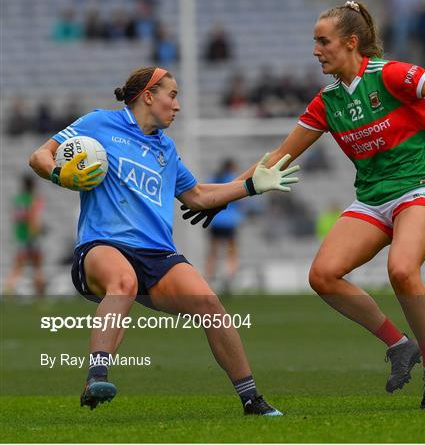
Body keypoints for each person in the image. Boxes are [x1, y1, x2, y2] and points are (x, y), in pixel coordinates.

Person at [181, 1, 425, 409]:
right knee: (323, 275)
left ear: (350, 43)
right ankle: (400, 346)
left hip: (419, 185)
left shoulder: (392, 75)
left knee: (401, 269)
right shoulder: (327, 102)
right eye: (314, 41)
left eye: (322, 41)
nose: (315, 50)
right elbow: (279, 155)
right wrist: (225, 195)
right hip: (372, 197)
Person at [28, 66, 300, 415]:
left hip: (157, 254)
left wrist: (250, 185)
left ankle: (252, 400)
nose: (177, 105)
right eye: (172, 95)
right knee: (123, 282)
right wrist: (59, 175)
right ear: (149, 96)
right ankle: (96, 377)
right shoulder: (98, 123)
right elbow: (39, 156)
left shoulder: (166, 150)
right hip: (102, 245)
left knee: (211, 306)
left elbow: (198, 195)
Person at [204, 159, 244, 294]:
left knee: (213, 251)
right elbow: (239, 200)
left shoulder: (213, 179)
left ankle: (209, 278)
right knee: (231, 251)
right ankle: (229, 276)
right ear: (231, 167)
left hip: (215, 221)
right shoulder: (233, 179)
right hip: (230, 221)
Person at [3, 174, 46, 297]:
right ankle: (40, 296)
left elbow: (16, 218)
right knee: (37, 267)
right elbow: (33, 218)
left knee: (17, 267)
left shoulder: (17, 199)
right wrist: (37, 232)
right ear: (33, 185)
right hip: (31, 237)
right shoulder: (33, 199)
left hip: (20, 235)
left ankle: (8, 292)